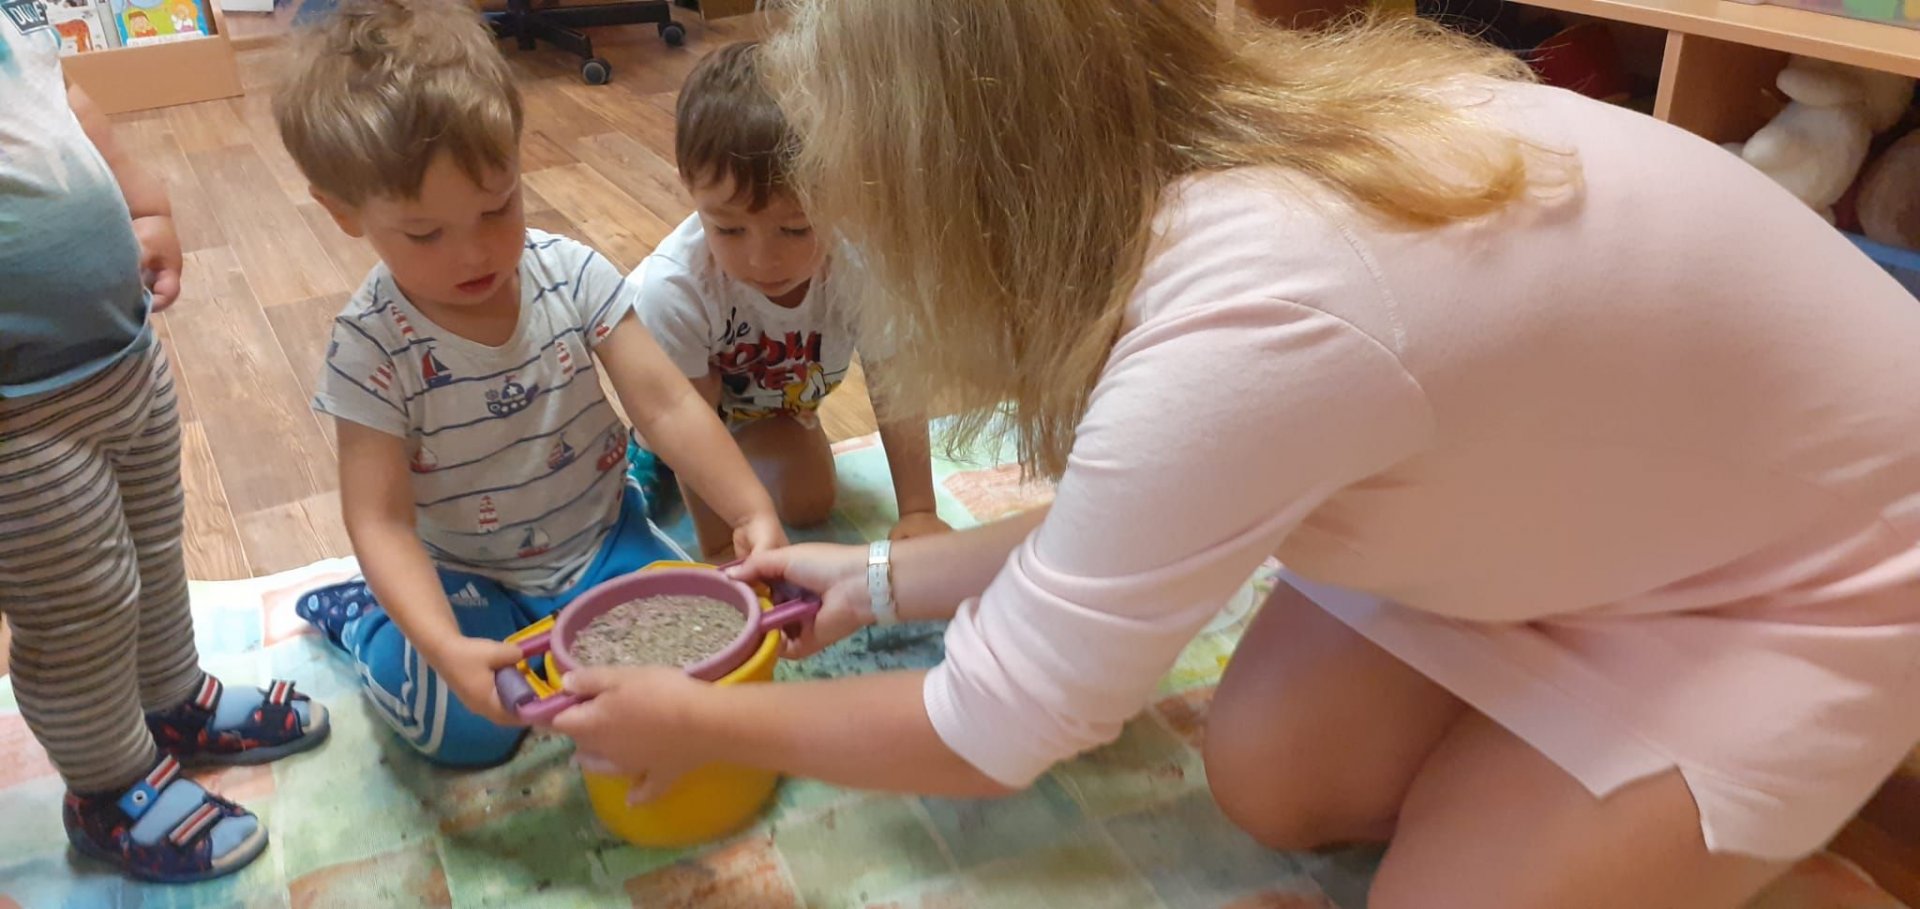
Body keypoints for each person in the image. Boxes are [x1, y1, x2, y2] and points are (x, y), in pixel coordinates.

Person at [549, 3, 1920, 907]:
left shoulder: (1252, 317)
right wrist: (877, 582)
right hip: (1578, 501)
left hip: (1824, 558)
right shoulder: (1203, 195)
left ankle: (1758, 814)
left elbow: (996, 726)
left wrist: (698, 718)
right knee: (1274, 776)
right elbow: (1135, 522)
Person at [273, 0, 783, 768]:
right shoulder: (371, 347)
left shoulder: (570, 274)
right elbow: (379, 522)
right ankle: (365, 622)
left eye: (497, 206)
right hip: (463, 577)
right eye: (426, 233)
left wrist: (750, 509)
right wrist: (442, 645)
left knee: (705, 660)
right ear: (344, 211)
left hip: (601, 541)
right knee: (472, 729)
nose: (475, 251)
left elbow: (669, 403)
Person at [1, 6, 328, 883]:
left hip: (122, 355)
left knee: (150, 545)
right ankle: (109, 785)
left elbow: (64, 95)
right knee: (80, 604)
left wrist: (144, 202)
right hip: (17, 421)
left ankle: (170, 699)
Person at [630, 41, 950, 559]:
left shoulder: (864, 263)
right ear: (689, 188)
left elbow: (896, 386)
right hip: (683, 403)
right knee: (681, 459)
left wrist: (918, 510)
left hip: (774, 408)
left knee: (810, 501)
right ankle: (647, 450)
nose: (763, 260)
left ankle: (740, 454)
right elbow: (688, 418)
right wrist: (720, 550)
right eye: (729, 229)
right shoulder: (673, 289)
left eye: (796, 228)